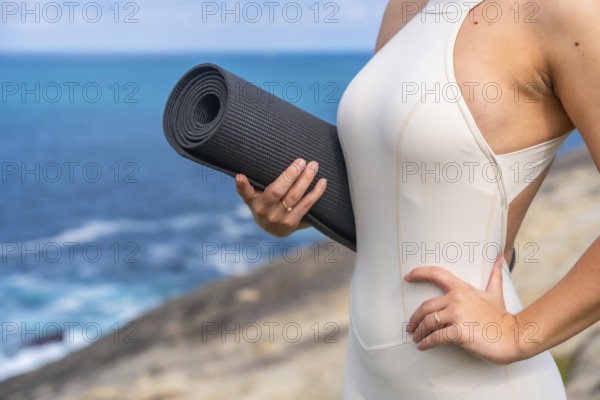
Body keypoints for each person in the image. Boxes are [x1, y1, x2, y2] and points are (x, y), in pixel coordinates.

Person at [235, 0, 600, 398]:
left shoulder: (569, 11)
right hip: (367, 374)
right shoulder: (406, 7)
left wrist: (517, 334)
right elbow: (392, 188)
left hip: (474, 381)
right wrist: (299, 209)